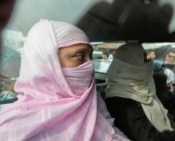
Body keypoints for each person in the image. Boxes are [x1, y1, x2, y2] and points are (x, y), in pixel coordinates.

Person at [0, 19, 129, 141]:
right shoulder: (10, 127)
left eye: (90, 57)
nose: (90, 65)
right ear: (48, 63)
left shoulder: (94, 105)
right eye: (79, 56)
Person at [104, 43, 175, 141]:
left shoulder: (143, 88)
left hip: (168, 133)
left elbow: (163, 114)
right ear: (128, 65)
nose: (148, 63)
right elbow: (147, 137)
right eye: (144, 60)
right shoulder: (120, 101)